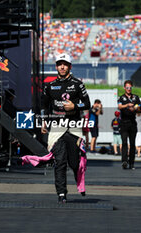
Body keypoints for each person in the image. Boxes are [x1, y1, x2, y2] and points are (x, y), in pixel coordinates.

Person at [41, 53, 91, 203]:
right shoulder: (49, 85)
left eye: (65, 64)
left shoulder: (77, 84)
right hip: (56, 126)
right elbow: (44, 105)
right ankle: (61, 193)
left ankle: (79, 180)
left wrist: (75, 106)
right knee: (60, 161)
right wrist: (44, 121)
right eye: (59, 64)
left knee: (74, 163)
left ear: (70, 66)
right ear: (56, 66)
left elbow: (87, 104)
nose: (62, 67)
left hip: (74, 126)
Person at [118, 80, 141, 170]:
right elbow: (119, 106)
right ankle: (124, 161)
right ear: (124, 88)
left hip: (132, 123)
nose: (129, 89)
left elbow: (140, 109)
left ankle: (132, 163)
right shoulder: (121, 98)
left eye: (130, 88)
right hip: (124, 122)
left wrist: (135, 109)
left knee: (132, 144)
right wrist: (127, 105)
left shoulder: (135, 97)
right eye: (127, 88)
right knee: (124, 142)